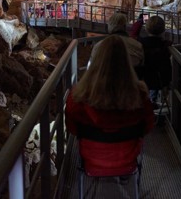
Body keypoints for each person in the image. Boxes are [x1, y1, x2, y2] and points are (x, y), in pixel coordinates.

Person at [65, 35, 155, 175]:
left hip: (91, 159)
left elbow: (72, 129)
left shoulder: (78, 97)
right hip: (127, 160)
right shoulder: (140, 96)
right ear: (126, 61)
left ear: (96, 60)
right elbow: (148, 126)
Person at [139, 16, 172, 108]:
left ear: (146, 28)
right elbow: (166, 65)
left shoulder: (140, 43)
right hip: (160, 79)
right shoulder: (166, 46)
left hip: (144, 77)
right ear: (163, 29)